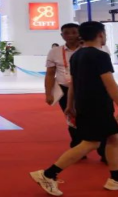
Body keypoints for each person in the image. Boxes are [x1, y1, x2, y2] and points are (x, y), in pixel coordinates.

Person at [31, 21, 118, 196]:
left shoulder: (77, 55)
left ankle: (116, 178)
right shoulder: (100, 56)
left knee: (115, 137)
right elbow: (110, 84)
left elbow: (73, 83)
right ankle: (48, 174)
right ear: (100, 35)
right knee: (92, 142)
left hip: (85, 103)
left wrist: (70, 104)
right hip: (97, 105)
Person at [45, 23, 106, 162]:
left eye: (74, 32)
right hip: (65, 90)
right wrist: (48, 93)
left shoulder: (91, 49)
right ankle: (77, 150)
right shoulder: (55, 52)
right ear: (62, 35)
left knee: (96, 119)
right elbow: (50, 74)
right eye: (67, 33)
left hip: (88, 90)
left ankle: (104, 151)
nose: (71, 35)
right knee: (72, 120)